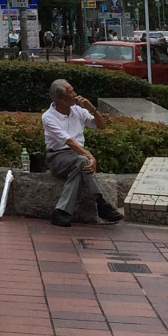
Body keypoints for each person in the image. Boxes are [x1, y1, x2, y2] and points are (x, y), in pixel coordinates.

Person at [43, 79, 124, 228]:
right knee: (82, 161)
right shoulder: (48, 117)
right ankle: (101, 203)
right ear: (60, 98)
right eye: (71, 92)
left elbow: (101, 126)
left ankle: (61, 212)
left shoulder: (77, 110)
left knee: (79, 169)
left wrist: (91, 108)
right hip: (57, 157)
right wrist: (90, 157)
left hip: (77, 157)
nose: (75, 95)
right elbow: (69, 141)